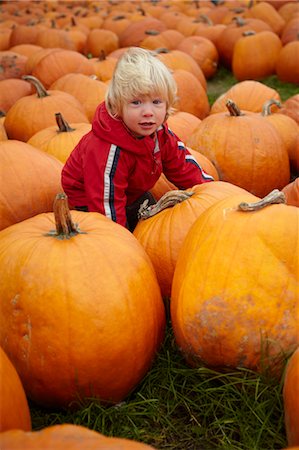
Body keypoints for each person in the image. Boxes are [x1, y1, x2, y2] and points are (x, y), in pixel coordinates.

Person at [61, 47, 214, 231]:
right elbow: (105, 204)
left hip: (131, 190)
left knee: (154, 222)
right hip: (91, 197)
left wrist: (212, 193)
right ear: (118, 106)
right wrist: (120, 240)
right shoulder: (108, 151)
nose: (148, 112)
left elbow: (182, 165)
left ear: (167, 105)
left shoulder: (159, 133)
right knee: (128, 230)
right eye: (136, 102)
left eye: (156, 102)